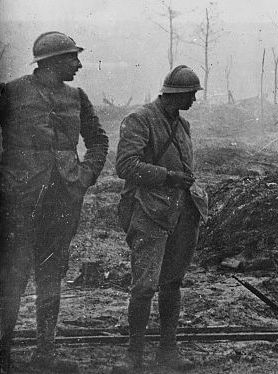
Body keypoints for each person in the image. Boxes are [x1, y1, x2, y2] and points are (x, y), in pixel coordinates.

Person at [0, 32, 109, 373]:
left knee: (51, 274)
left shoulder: (77, 97)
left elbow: (98, 140)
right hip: (18, 202)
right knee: (12, 277)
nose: (78, 64)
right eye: (72, 58)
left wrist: (84, 176)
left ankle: (45, 354)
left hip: (62, 202)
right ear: (52, 62)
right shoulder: (12, 92)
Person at [112, 66, 208, 373]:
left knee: (172, 284)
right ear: (176, 94)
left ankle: (168, 352)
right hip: (149, 211)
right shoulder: (140, 120)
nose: (195, 98)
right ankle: (133, 355)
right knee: (143, 287)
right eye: (192, 93)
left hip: (183, 212)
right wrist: (168, 177)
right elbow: (126, 165)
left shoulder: (184, 125)